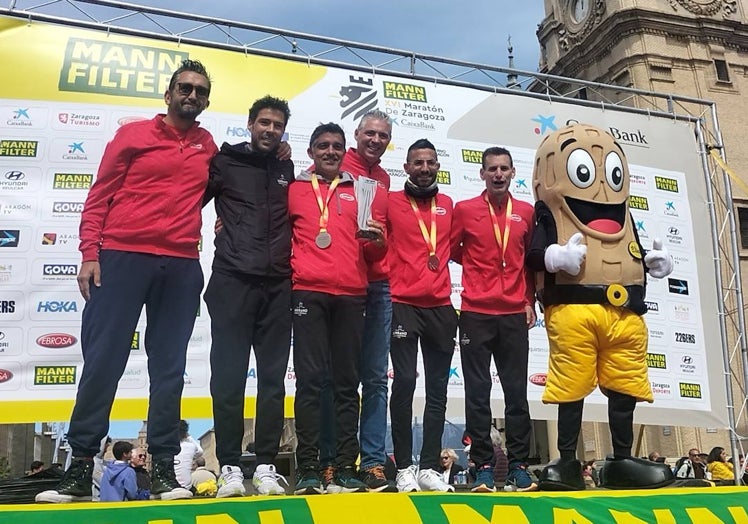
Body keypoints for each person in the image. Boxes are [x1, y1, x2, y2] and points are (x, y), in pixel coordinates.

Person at [35, 59, 216, 504]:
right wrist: (88, 254)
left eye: (199, 91)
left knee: (170, 370)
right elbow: (100, 195)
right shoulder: (133, 135)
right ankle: (79, 469)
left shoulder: (208, 146)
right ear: (169, 94)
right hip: (120, 257)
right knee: (103, 362)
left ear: (206, 101)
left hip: (179, 265)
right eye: (184, 88)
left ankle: (167, 473)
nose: (191, 96)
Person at [527, 124, 675, 491]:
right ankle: (567, 459)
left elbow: (634, 252)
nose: (600, 186)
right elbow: (532, 255)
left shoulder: (624, 216)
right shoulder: (549, 213)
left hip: (626, 315)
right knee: (572, 386)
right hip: (575, 311)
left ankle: (622, 458)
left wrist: (652, 263)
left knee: (625, 386)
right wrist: (555, 256)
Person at [203, 95, 294, 498]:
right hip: (232, 282)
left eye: (277, 125)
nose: (270, 130)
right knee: (228, 380)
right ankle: (228, 466)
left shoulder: (287, 167)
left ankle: (267, 465)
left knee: (273, 383)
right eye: (264, 123)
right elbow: (187, 204)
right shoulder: (224, 162)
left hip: (278, 286)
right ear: (250, 123)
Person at [289, 123, 386, 495]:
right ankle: (310, 467)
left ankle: (346, 466)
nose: (330, 151)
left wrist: (379, 241)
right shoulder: (296, 189)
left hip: (350, 294)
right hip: (308, 292)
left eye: (336, 146)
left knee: (348, 384)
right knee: (311, 383)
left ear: (344, 152)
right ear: (312, 151)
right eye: (323, 146)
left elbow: (374, 249)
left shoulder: (359, 191)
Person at [318, 110, 397, 493]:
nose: (375, 140)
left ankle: (373, 463)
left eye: (383, 135)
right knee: (338, 379)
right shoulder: (335, 164)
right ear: (357, 134)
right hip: (345, 284)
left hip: (379, 283)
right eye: (370, 133)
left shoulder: (384, 177)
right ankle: (334, 460)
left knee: (376, 379)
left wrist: (380, 243)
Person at [451, 146, 537, 493]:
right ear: (482, 174)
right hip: (475, 312)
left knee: (517, 394)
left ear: (513, 172)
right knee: (477, 393)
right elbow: (452, 249)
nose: (498, 174)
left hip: (514, 312)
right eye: (492, 169)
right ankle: (482, 465)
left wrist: (529, 300)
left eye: (504, 169)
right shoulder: (465, 210)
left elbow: (530, 261)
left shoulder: (527, 213)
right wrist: (479, 268)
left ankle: (518, 465)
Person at [388, 139, 457, 493]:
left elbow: (461, 248)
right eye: (418, 162)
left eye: (430, 162)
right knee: (403, 383)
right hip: (402, 302)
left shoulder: (447, 205)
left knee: (438, 390)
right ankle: (403, 466)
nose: (425, 168)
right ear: (407, 167)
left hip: (442, 307)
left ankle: (430, 466)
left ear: (437, 167)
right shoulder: (390, 202)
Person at [174, 420, 203, 489]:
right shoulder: (191, 447)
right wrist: (189, 437)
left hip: (171, 486)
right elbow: (200, 451)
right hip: (186, 487)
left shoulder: (168, 447)